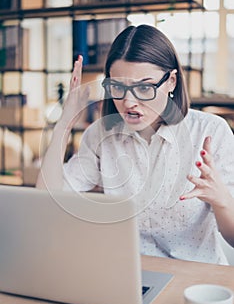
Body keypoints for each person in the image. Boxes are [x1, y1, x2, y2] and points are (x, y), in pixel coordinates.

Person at [36, 24, 234, 265]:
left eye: (144, 87)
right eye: (118, 87)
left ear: (171, 81)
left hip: (196, 279)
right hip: (130, 275)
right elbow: (45, 203)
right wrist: (64, 123)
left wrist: (221, 199)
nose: (129, 102)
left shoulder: (210, 132)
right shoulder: (101, 136)